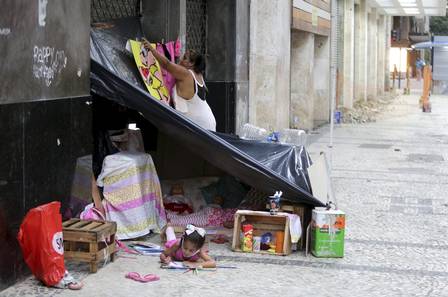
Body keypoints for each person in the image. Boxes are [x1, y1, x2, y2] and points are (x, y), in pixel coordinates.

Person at [143, 39, 217, 131]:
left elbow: (167, 64)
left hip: (201, 125)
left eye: (185, 58)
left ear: (191, 64)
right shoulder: (199, 75)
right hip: (208, 122)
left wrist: (152, 50)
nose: (181, 60)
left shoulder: (187, 74)